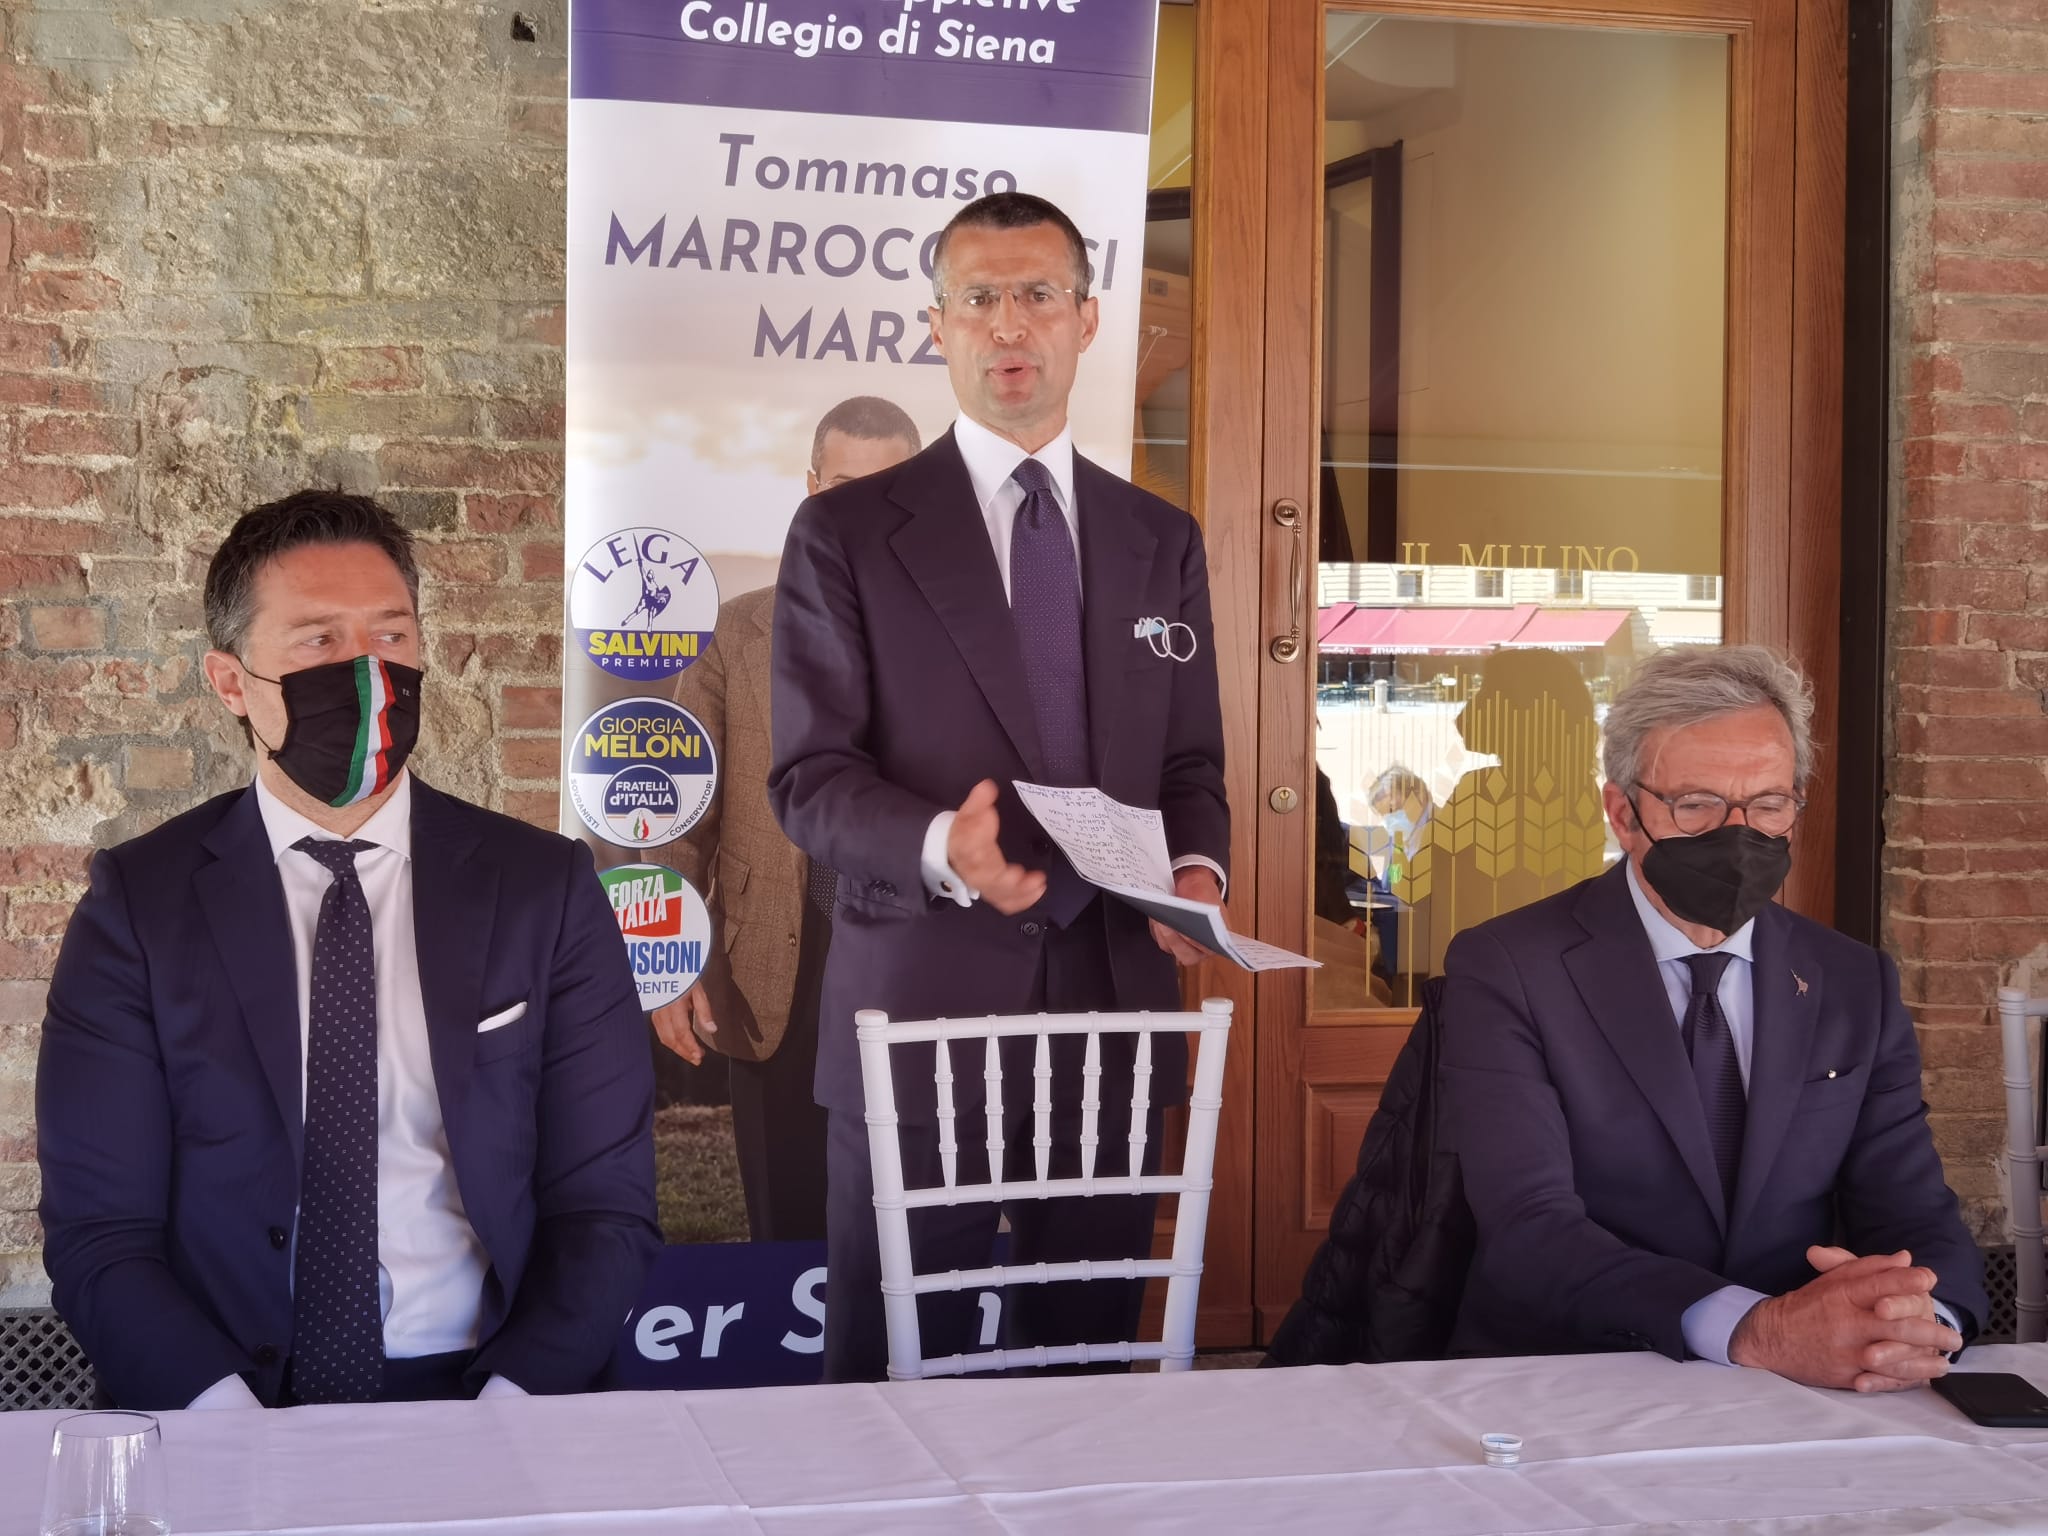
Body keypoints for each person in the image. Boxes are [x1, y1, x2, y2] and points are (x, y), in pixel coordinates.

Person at [36, 490, 661, 1411]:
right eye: (319, 641)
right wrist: (227, 1422)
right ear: (230, 681)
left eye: (392, 636)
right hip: (228, 1401)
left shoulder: (543, 888)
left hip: (491, 1393)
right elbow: (102, 1232)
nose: (367, 672)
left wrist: (512, 1408)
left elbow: (604, 1204)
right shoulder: (139, 907)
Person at [768, 191, 1230, 1381]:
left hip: (1112, 1014)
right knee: (890, 1373)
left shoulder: (1159, 540)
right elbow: (809, 778)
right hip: (919, 1011)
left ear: (1086, 319)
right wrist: (940, 844)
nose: (1008, 324)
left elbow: (1188, 763)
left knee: (1082, 1368)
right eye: (979, 298)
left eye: (1036, 295)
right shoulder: (845, 534)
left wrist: (1195, 871)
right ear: (937, 326)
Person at [1441, 645, 1986, 1391]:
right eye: (1695, 803)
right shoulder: (1510, 965)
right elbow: (1529, 1224)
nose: (1739, 834)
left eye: (1768, 805)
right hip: (1575, 1373)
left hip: (1807, 1387)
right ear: (1623, 813)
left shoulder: (1854, 980)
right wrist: (1757, 1329)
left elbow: (1914, 1214)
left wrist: (1918, 1321)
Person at [650, 397, 923, 1243]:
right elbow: (679, 811)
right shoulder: (737, 632)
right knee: (787, 1218)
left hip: (915, 959)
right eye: (842, 487)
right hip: (772, 957)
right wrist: (667, 964)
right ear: (811, 488)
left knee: (909, 1218)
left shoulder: (961, 636)